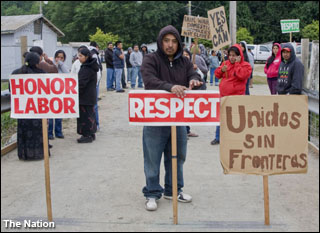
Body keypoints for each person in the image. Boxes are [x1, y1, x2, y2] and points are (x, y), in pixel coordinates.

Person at [141, 25, 203, 211]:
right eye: (166, 41)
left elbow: (193, 74)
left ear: (178, 43)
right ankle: (152, 193)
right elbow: (149, 80)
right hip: (155, 119)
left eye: (174, 41)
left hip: (178, 119)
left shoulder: (184, 62)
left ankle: (173, 189)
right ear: (160, 42)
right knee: (152, 158)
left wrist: (194, 80)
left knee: (178, 156)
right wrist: (170, 87)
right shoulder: (150, 59)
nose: (170, 45)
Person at [211, 44, 252, 145]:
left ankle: (236, 138)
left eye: (234, 55)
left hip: (237, 97)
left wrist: (237, 64)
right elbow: (216, 74)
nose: (231, 57)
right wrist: (221, 70)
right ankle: (218, 137)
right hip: (224, 96)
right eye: (230, 55)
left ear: (239, 55)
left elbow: (242, 76)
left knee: (236, 118)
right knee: (221, 117)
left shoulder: (246, 65)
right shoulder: (226, 64)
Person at [11, 52, 49, 160]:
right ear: (37, 62)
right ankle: (39, 153)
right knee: (37, 133)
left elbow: (11, 90)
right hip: (37, 109)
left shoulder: (16, 73)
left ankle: (25, 154)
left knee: (24, 132)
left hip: (23, 109)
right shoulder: (41, 73)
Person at [77, 47, 99, 143]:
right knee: (90, 115)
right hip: (90, 95)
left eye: (81, 56)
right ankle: (91, 133)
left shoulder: (86, 68)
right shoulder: (92, 66)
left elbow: (81, 83)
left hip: (85, 96)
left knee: (85, 116)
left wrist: (76, 92)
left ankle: (86, 135)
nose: (79, 58)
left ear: (86, 56)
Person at [48, 50, 69, 140]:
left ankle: (58, 132)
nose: (59, 59)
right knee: (50, 115)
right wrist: (55, 65)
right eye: (58, 57)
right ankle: (49, 133)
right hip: (50, 93)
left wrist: (61, 64)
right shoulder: (50, 65)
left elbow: (67, 74)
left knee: (59, 113)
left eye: (62, 58)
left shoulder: (64, 67)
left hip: (60, 93)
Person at [89, 41, 103, 131]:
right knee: (94, 104)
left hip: (94, 82)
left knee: (93, 105)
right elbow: (98, 70)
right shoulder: (94, 54)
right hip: (94, 82)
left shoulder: (92, 53)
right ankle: (96, 125)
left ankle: (95, 125)